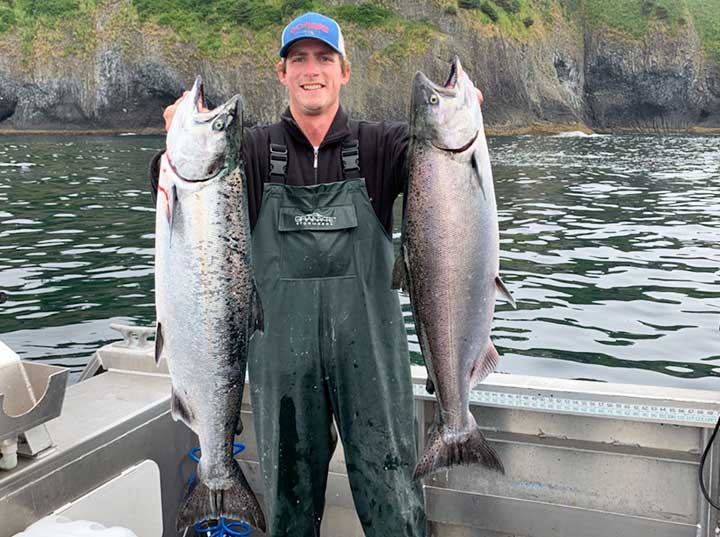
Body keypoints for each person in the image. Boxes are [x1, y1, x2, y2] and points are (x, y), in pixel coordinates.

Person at [152, 12, 482, 536]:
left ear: (344, 72)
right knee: (289, 509)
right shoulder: (253, 152)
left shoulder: (384, 146)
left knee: (395, 500)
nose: (312, 70)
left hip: (373, 361)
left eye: (324, 59)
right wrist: (173, 146)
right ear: (281, 73)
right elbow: (190, 212)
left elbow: (445, 178)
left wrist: (464, 120)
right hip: (282, 368)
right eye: (299, 59)